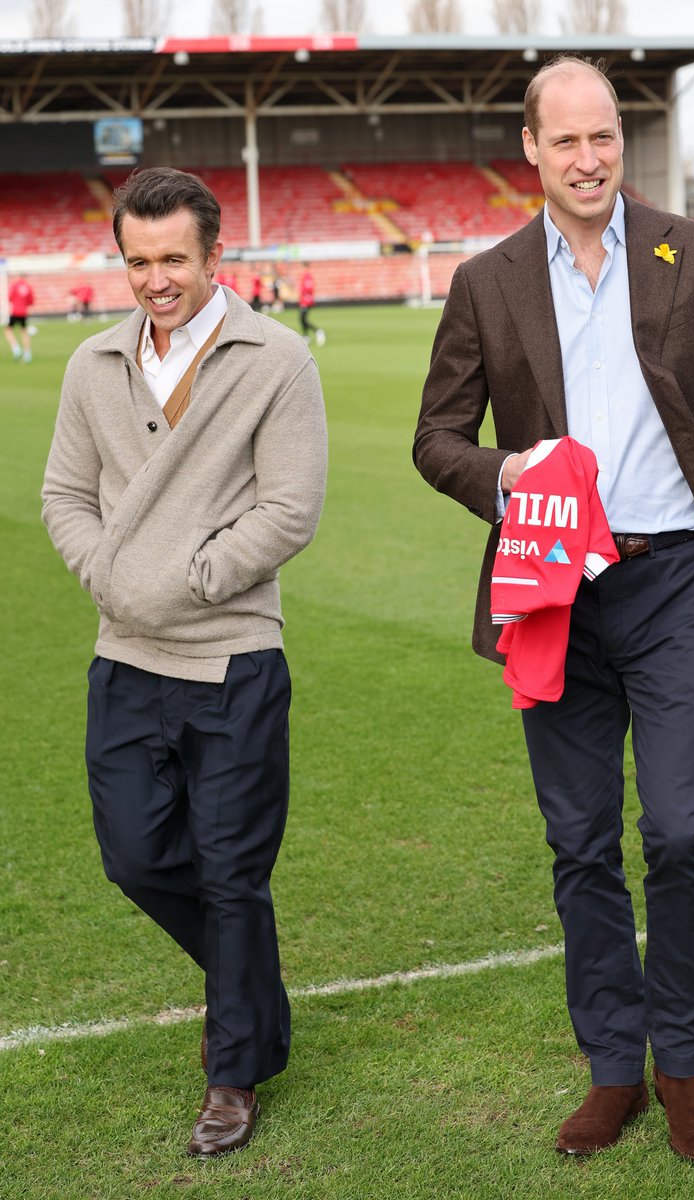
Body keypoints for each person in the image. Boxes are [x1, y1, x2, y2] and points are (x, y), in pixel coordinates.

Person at [413, 56, 694, 1164]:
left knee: (680, 830)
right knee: (578, 843)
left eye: (603, 139)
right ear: (527, 150)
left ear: (617, 145)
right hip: (552, 595)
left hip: (678, 577)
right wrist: (509, 470)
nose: (587, 160)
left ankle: (681, 1063)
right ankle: (613, 1069)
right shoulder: (486, 281)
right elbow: (435, 440)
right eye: (564, 141)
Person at [42, 167, 327, 1159]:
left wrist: (196, 577)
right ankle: (250, 993)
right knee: (133, 855)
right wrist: (114, 577)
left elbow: (290, 507)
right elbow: (63, 499)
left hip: (234, 658)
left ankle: (232, 1071)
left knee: (232, 875)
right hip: (124, 654)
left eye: (172, 259)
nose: (155, 278)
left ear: (213, 257)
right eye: (137, 260)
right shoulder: (91, 366)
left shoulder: (274, 359)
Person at [5, 275, 35, 361]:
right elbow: (31, 301)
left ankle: (16, 348)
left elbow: (9, 298)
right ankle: (27, 354)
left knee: (8, 330)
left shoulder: (14, 286)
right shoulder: (28, 287)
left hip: (15, 312)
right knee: (24, 332)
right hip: (24, 312)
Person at [297, 264, 325, 346]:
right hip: (304, 300)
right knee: (302, 319)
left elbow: (308, 290)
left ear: (305, 268)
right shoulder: (305, 277)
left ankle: (318, 331)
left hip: (306, 301)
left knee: (302, 319)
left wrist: (305, 301)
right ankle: (306, 336)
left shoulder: (308, 277)